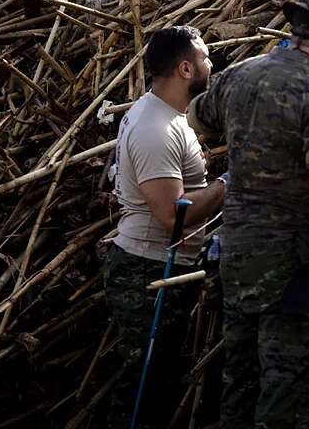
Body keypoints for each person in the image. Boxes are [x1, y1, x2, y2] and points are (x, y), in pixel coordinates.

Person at [187, 0, 309, 429]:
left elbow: (197, 118)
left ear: (295, 29)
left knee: (241, 380)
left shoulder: (241, 75)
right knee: (287, 388)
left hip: (234, 259)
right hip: (291, 270)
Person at [104, 26, 228, 429]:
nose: (213, 64)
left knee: (159, 382)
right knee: (144, 390)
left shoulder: (166, 115)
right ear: (186, 68)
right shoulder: (154, 129)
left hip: (162, 268)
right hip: (150, 271)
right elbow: (173, 217)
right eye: (207, 58)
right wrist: (229, 184)